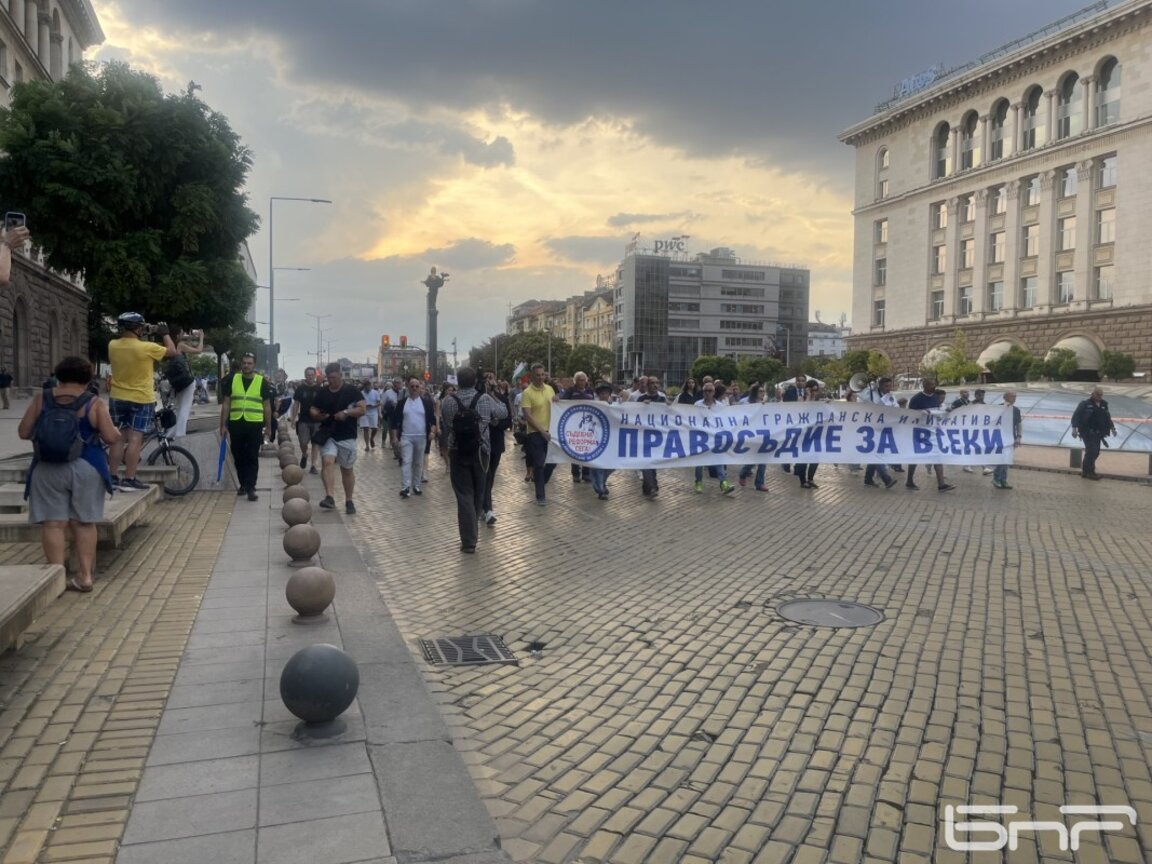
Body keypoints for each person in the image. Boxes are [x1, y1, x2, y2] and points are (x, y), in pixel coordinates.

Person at [18, 356, 120, 593]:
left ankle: (56, 579)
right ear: (87, 378)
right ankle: (84, 576)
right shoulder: (93, 402)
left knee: (53, 524)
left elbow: (24, 432)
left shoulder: (41, 398)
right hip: (87, 466)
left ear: (58, 375)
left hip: (46, 468)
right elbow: (110, 437)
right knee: (84, 523)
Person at [439, 367, 508, 552]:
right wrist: (492, 393)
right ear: (476, 381)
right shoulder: (484, 399)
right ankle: (473, 531)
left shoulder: (448, 402)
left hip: (457, 451)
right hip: (481, 452)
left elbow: (446, 424)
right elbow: (503, 413)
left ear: (458, 382)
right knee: (479, 492)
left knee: (464, 495)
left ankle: (469, 540)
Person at [107, 312, 177, 490]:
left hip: (117, 397)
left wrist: (146, 330)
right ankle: (130, 479)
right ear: (137, 328)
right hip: (141, 398)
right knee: (135, 439)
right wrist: (164, 333)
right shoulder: (146, 347)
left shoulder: (112, 345)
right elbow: (172, 351)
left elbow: (130, 341)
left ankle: (112, 477)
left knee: (118, 439)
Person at [311, 362, 366, 513]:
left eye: (334, 377)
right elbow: (313, 408)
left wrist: (346, 413)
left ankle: (349, 500)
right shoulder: (323, 392)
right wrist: (316, 414)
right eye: (329, 378)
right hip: (329, 434)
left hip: (347, 436)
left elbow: (362, 409)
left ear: (340, 376)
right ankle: (329, 497)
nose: (331, 381)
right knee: (327, 462)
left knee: (346, 469)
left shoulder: (352, 391)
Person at [218, 352, 274, 501]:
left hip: (254, 424)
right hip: (236, 423)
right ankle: (243, 484)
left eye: (249, 363)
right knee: (238, 456)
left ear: (254, 365)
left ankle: (251, 487)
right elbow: (226, 403)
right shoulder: (233, 380)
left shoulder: (262, 382)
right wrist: (222, 425)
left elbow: (267, 405)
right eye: (244, 363)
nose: (246, 366)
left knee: (252, 456)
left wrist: (268, 427)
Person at [907, 378, 954, 492]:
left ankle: (941, 484)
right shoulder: (916, 399)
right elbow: (909, 415)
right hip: (920, 432)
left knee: (937, 456)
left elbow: (938, 412)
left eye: (934, 385)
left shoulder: (935, 398)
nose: (934, 387)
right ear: (925, 386)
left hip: (932, 432)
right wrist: (921, 414)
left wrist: (946, 412)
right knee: (916, 457)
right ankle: (909, 480)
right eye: (931, 385)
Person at [393, 377, 437, 498]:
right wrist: (395, 437)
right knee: (406, 461)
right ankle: (405, 487)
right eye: (412, 386)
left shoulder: (426, 403)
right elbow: (395, 421)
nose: (414, 388)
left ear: (420, 388)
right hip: (406, 436)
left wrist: (432, 431)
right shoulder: (402, 403)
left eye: (417, 386)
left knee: (418, 462)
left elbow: (432, 420)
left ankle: (416, 485)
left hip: (421, 436)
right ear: (408, 387)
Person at [521, 363, 556, 505]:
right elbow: (528, 416)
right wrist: (542, 431)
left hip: (551, 432)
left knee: (553, 462)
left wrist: (557, 401)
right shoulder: (527, 393)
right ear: (532, 376)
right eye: (538, 375)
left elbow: (555, 406)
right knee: (539, 464)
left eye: (543, 374)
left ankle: (539, 480)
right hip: (535, 433)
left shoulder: (550, 389)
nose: (541, 377)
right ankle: (540, 496)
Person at [694, 382, 735, 495]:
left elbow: (725, 420)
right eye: (705, 391)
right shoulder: (697, 404)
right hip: (701, 437)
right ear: (703, 392)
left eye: (710, 391)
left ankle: (723, 483)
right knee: (699, 462)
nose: (707, 393)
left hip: (715, 437)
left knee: (718, 460)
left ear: (714, 392)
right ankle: (698, 481)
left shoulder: (720, 406)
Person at [482, 374, 513, 524]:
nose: (490, 381)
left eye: (492, 378)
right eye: (487, 379)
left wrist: (497, 424)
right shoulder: (479, 398)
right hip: (481, 443)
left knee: (491, 475)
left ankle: (484, 504)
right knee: (485, 475)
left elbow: (508, 420)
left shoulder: (502, 399)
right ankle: (488, 509)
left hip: (496, 442)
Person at [860, 377, 898, 489]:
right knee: (876, 453)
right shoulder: (871, 394)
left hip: (885, 428)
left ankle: (868, 479)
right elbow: (862, 396)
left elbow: (897, 408)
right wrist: (870, 386)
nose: (888, 388)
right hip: (871, 428)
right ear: (880, 386)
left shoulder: (891, 397)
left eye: (890, 386)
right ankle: (887, 479)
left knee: (875, 453)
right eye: (886, 386)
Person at [1071, 386, 1116, 480]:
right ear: (1093, 394)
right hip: (1087, 432)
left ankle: (1085, 471)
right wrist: (1074, 429)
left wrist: (1112, 428)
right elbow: (1076, 416)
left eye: (1101, 395)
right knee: (1092, 451)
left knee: (1096, 453)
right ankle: (1091, 473)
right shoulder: (1085, 404)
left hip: (1099, 433)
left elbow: (1108, 418)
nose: (1099, 396)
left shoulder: (1104, 404)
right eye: (1097, 394)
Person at [167, 328, 204, 439]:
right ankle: (180, 433)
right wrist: (201, 337)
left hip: (178, 381)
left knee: (178, 407)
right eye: (182, 332)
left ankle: (171, 433)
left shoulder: (171, 347)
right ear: (178, 335)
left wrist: (192, 337)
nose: (184, 334)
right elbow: (199, 350)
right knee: (185, 407)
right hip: (186, 380)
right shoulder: (180, 345)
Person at [634, 376, 667, 498]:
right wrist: (642, 406)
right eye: (652, 383)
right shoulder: (641, 399)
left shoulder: (662, 398)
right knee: (646, 461)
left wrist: (669, 407)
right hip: (644, 435)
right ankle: (652, 487)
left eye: (657, 383)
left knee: (653, 462)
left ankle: (648, 488)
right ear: (647, 385)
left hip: (657, 435)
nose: (655, 385)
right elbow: (634, 415)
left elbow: (667, 415)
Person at [560, 371, 595, 483]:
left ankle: (586, 473)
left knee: (587, 448)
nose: (582, 382)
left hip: (588, 425)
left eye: (584, 380)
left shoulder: (590, 391)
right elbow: (563, 403)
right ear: (576, 381)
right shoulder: (570, 391)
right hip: (574, 424)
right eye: (580, 380)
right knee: (575, 449)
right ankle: (575, 473)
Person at [291, 367, 321, 473]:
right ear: (305, 376)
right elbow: (296, 404)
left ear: (315, 376)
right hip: (303, 420)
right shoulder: (300, 389)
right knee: (303, 442)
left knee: (315, 443)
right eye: (308, 375)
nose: (310, 377)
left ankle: (313, 465)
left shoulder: (319, 389)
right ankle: (304, 454)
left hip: (317, 420)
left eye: (312, 375)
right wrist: (293, 419)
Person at [589, 381, 615, 500]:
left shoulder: (614, 405)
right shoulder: (593, 405)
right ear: (598, 395)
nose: (604, 395)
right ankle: (600, 489)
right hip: (596, 440)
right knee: (598, 466)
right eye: (602, 393)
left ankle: (601, 483)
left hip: (611, 440)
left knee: (611, 465)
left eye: (606, 393)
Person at [993, 391, 1022, 490]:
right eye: (1012, 396)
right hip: (999, 437)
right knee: (1002, 458)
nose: (1014, 398)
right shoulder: (998, 408)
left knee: (1007, 459)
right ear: (1005, 397)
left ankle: (1003, 480)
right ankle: (996, 477)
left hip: (1011, 437)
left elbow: (1018, 424)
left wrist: (1019, 436)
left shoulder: (1016, 410)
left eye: (1015, 396)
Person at [360, 379, 381, 451]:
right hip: (364, 413)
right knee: (366, 429)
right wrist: (364, 406)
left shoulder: (375, 392)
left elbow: (379, 403)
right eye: (366, 386)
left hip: (373, 412)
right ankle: (367, 445)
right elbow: (358, 403)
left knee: (374, 429)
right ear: (364, 387)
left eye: (369, 386)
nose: (368, 388)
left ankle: (372, 438)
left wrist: (373, 405)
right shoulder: (361, 393)